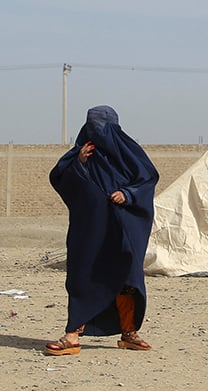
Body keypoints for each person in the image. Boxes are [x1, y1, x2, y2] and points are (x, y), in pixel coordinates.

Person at [46, 105, 160, 355]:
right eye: (91, 125)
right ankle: (72, 335)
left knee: (126, 278)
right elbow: (60, 179)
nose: (96, 131)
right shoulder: (80, 153)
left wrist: (128, 194)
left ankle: (129, 333)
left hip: (123, 228)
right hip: (89, 229)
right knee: (83, 275)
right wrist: (79, 163)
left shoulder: (130, 153)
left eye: (101, 126)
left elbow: (147, 180)